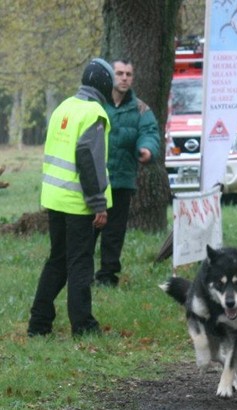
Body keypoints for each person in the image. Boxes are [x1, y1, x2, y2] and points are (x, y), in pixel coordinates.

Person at [28, 58, 114, 337]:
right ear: (104, 84)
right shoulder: (94, 113)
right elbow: (88, 159)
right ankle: (83, 326)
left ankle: (38, 324)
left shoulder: (63, 107)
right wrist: (98, 204)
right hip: (80, 204)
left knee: (57, 261)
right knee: (80, 264)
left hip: (55, 199)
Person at [94, 59, 160, 287]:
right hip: (94, 180)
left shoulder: (140, 108)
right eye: (119, 73)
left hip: (121, 180)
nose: (124, 78)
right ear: (111, 76)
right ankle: (80, 274)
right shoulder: (97, 103)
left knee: (114, 233)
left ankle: (107, 277)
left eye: (128, 74)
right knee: (88, 229)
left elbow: (150, 132)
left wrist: (147, 149)